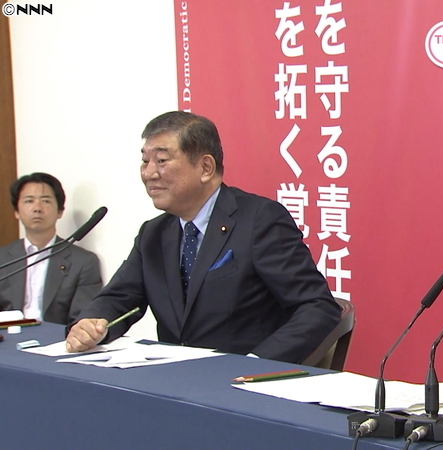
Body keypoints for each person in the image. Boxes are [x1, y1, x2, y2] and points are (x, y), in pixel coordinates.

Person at [66, 111, 341, 363]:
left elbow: (317, 307)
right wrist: (90, 323)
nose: (149, 173)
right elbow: (119, 297)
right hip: (175, 381)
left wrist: (256, 364)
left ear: (206, 167)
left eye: (161, 161)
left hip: (241, 383)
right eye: (145, 161)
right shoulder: (154, 233)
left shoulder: (259, 221)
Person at [0, 173, 102, 324]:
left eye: (45, 201)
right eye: (29, 201)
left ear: (60, 211)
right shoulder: (3, 258)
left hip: (57, 338)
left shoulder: (84, 262)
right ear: (16, 211)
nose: (37, 208)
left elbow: (82, 321)